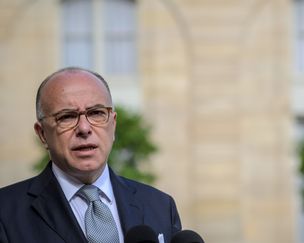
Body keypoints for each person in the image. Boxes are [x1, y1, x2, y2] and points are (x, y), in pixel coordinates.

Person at [0, 67, 181, 243]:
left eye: (96, 113)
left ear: (113, 125)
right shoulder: (6, 212)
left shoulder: (160, 207)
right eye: (67, 117)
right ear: (42, 134)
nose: (84, 129)